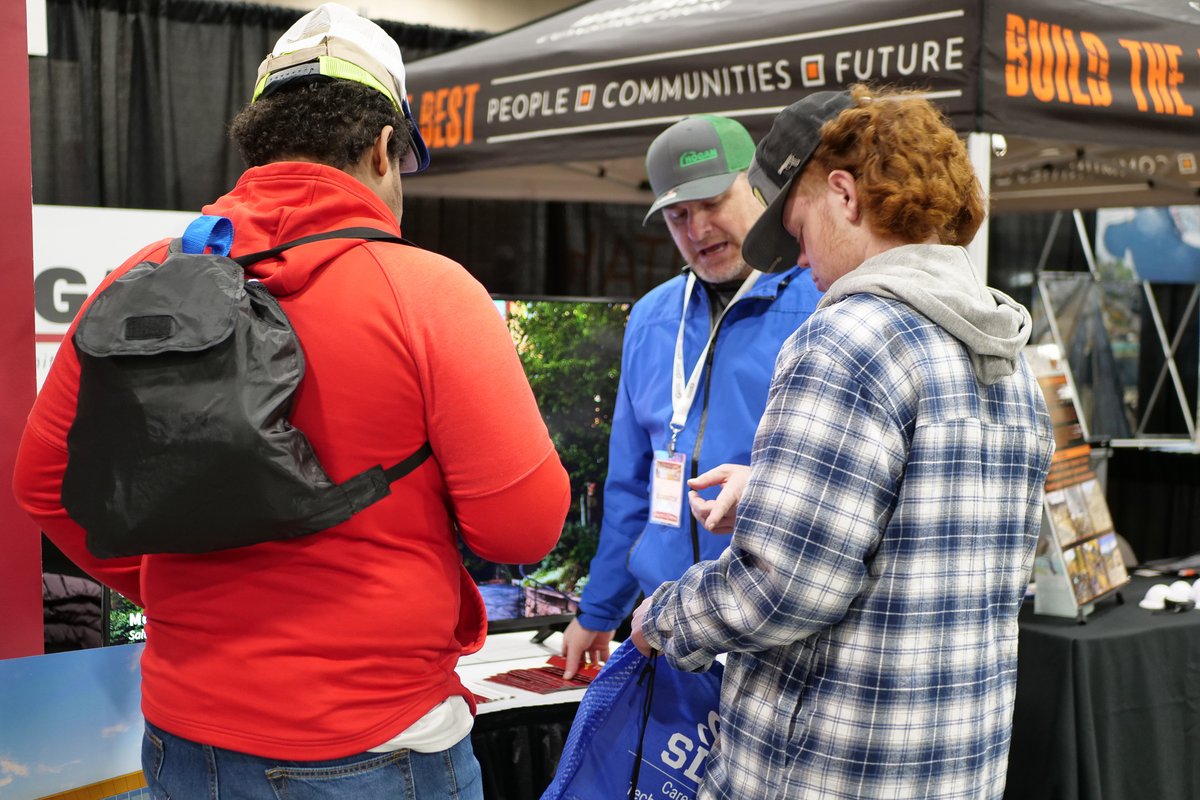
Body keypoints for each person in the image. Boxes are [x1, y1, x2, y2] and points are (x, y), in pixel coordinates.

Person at [13, 4, 570, 798]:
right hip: (377, 744)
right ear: (384, 147)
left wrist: (172, 583)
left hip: (184, 737)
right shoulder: (430, 293)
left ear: (258, 140)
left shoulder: (140, 277)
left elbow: (43, 482)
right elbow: (525, 526)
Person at [630, 86, 1055, 799]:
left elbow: (782, 587)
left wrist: (662, 618)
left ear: (845, 195)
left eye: (797, 232)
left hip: (828, 768)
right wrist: (770, 495)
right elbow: (946, 552)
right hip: (955, 765)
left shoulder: (845, 339)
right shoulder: (1010, 359)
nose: (800, 263)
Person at [560, 114, 824, 678]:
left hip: (773, 629)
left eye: (713, 203)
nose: (698, 228)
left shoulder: (819, 301)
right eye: (678, 215)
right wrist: (599, 609)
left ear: (758, 188)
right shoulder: (652, 317)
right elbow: (630, 483)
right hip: (664, 629)